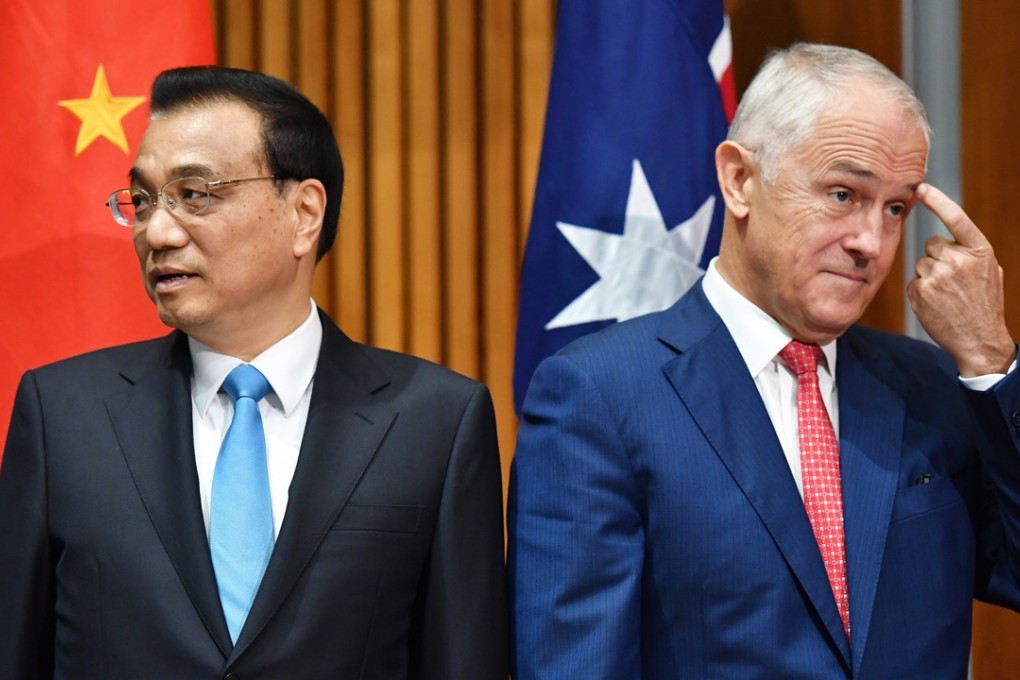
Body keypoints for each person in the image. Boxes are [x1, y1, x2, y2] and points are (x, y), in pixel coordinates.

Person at [508, 42, 1020, 678]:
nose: (871, 242)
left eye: (895, 209)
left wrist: (990, 357)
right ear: (740, 180)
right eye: (841, 194)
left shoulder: (938, 385)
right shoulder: (601, 396)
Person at [0, 66, 508, 679]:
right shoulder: (63, 416)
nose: (156, 232)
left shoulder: (436, 422)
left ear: (303, 213)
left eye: (196, 195)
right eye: (142, 200)